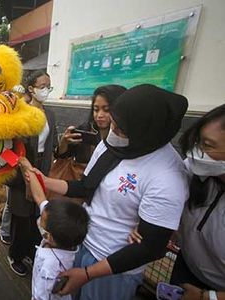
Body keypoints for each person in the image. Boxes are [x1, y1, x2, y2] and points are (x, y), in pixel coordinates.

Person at [27, 84, 189, 299]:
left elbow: (150, 247)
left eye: (121, 129)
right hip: (82, 243)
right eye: (113, 123)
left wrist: (88, 273)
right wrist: (44, 180)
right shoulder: (113, 144)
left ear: (145, 132)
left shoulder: (167, 176)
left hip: (112, 267)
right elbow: (85, 186)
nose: (113, 131)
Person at [129, 104, 225, 300]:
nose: (197, 153)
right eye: (198, 141)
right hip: (187, 270)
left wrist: (209, 297)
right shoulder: (194, 172)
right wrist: (153, 228)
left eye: (208, 145)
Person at [6, 70, 57, 277]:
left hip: (41, 172)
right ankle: (15, 255)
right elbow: (7, 149)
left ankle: (30, 251)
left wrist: (63, 145)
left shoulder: (51, 114)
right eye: (42, 86)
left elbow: (52, 145)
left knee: (38, 217)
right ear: (31, 89)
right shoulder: (20, 113)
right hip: (20, 174)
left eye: (49, 86)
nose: (46, 90)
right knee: (21, 217)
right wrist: (20, 165)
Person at [20, 157, 89, 300]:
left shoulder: (51, 267)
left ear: (48, 236)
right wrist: (28, 168)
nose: (40, 222)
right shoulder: (60, 234)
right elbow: (39, 197)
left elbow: (41, 296)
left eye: (42, 222)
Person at [57, 85, 126, 164]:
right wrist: (64, 142)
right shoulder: (85, 130)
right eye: (96, 109)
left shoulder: (126, 137)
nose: (99, 115)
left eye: (106, 110)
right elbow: (62, 157)